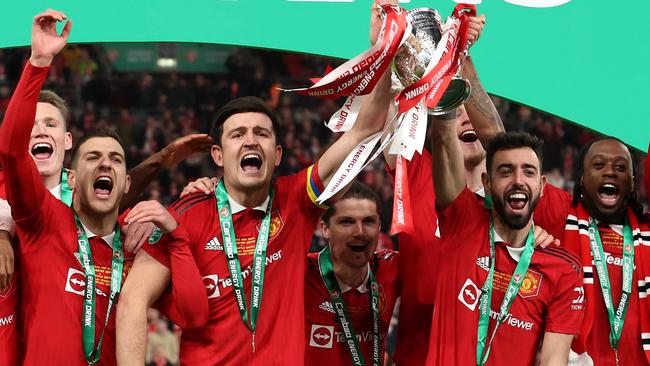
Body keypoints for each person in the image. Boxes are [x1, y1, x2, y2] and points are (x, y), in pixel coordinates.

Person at [116, 2, 393, 364]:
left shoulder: (296, 199)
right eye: (238, 134)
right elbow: (133, 302)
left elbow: (364, 128)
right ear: (218, 155)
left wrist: (384, 48)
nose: (250, 141)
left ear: (276, 154)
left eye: (261, 133)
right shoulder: (185, 214)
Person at [0, 10, 204, 365]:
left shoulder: (138, 248)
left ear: (126, 182)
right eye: (92, 157)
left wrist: (178, 238)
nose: (105, 163)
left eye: (115, 158)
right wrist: (39, 62)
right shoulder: (42, 221)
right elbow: (11, 151)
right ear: (72, 178)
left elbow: (193, 318)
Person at [427, 118, 584, 365]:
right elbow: (444, 139)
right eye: (506, 171)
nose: (518, 180)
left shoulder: (563, 269)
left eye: (528, 172)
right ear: (487, 183)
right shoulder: (462, 224)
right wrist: (444, 102)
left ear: (542, 186)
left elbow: (554, 359)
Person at [532, 136, 650, 365]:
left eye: (620, 167)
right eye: (598, 165)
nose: (610, 172)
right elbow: (506, 155)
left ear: (633, 182)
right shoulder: (562, 215)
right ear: (582, 179)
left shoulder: (646, 231)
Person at [304, 181, 399, 365]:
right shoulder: (302, 273)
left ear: (379, 226)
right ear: (325, 228)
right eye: (347, 222)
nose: (360, 232)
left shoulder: (392, 268)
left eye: (369, 221)